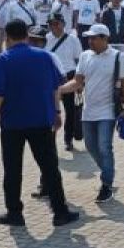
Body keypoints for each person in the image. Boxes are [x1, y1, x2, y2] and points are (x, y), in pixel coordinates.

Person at [0, 19, 80, 227]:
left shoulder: (2, 60)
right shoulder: (45, 57)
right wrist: (56, 112)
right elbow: (56, 87)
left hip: (12, 123)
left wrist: (0, 113)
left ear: (7, 37)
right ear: (27, 36)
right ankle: (60, 212)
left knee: (12, 169)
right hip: (41, 120)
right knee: (49, 167)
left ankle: (14, 213)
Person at [58, 24, 124, 203]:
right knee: (91, 146)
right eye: (89, 38)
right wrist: (58, 89)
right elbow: (77, 82)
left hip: (108, 111)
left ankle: (106, 184)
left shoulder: (118, 57)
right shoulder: (85, 56)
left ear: (105, 39)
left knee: (105, 146)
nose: (90, 41)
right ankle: (108, 171)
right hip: (88, 110)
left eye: (94, 38)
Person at [45, 14, 83, 152]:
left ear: (63, 24)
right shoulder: (46, 38)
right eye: (51, 24)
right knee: (50, 110)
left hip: (68, 76)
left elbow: (79, 61)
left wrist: (80, 83)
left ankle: (68, 139)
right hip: (50, 77)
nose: (54, 27)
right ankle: (51, 140)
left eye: (56, 23)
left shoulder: (73, 39)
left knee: (70, 110)